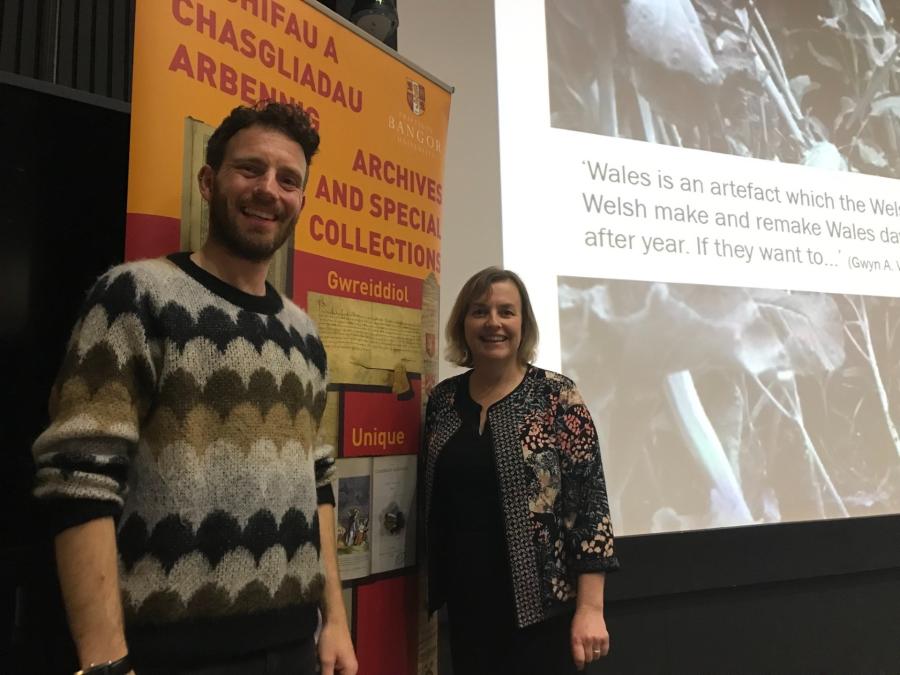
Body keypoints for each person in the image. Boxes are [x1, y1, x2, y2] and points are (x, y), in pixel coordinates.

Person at [30, 102, 357, 675]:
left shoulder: (303, 333)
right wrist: (104, 661)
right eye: (250, 169)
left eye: (288, 180)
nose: (269, 190)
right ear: (209, 181)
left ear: (301, 201)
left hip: (294, 648)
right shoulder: (134, 295)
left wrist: (335, 622)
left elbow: (318, 484)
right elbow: (78, 480)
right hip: (166, 656)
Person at [423, 267, 619, 674]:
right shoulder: (442, 401)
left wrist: (590, 609)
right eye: (479, 311)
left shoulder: (557, 397)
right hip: (465, 612)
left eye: (506, 312)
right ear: (463, 323)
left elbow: (590, 507)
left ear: (523, 324)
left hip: (541, 616)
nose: (493, 323)